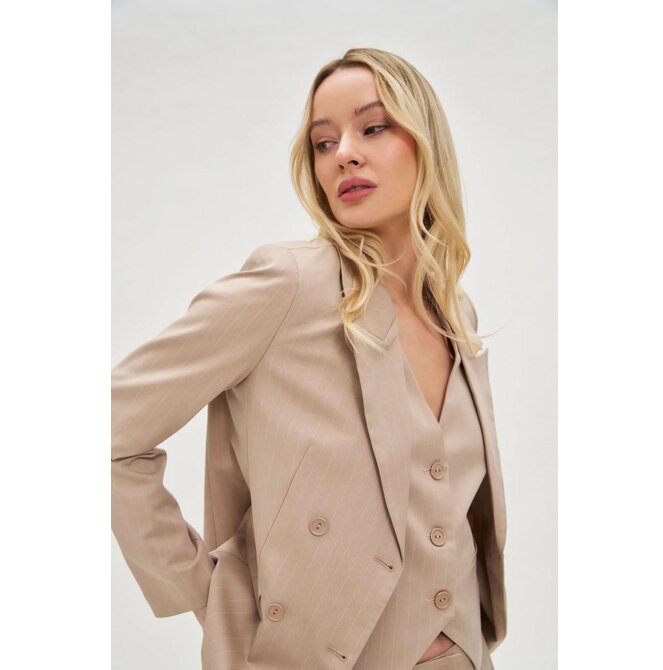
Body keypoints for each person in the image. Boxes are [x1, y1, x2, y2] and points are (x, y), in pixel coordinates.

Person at [112, 47, 508, 670]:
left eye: (372, 128)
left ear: (426, 142)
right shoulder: (289, 285)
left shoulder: (458, 315)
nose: (343, 153)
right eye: (324, 143)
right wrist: (207, 596)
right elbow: (112, 429)